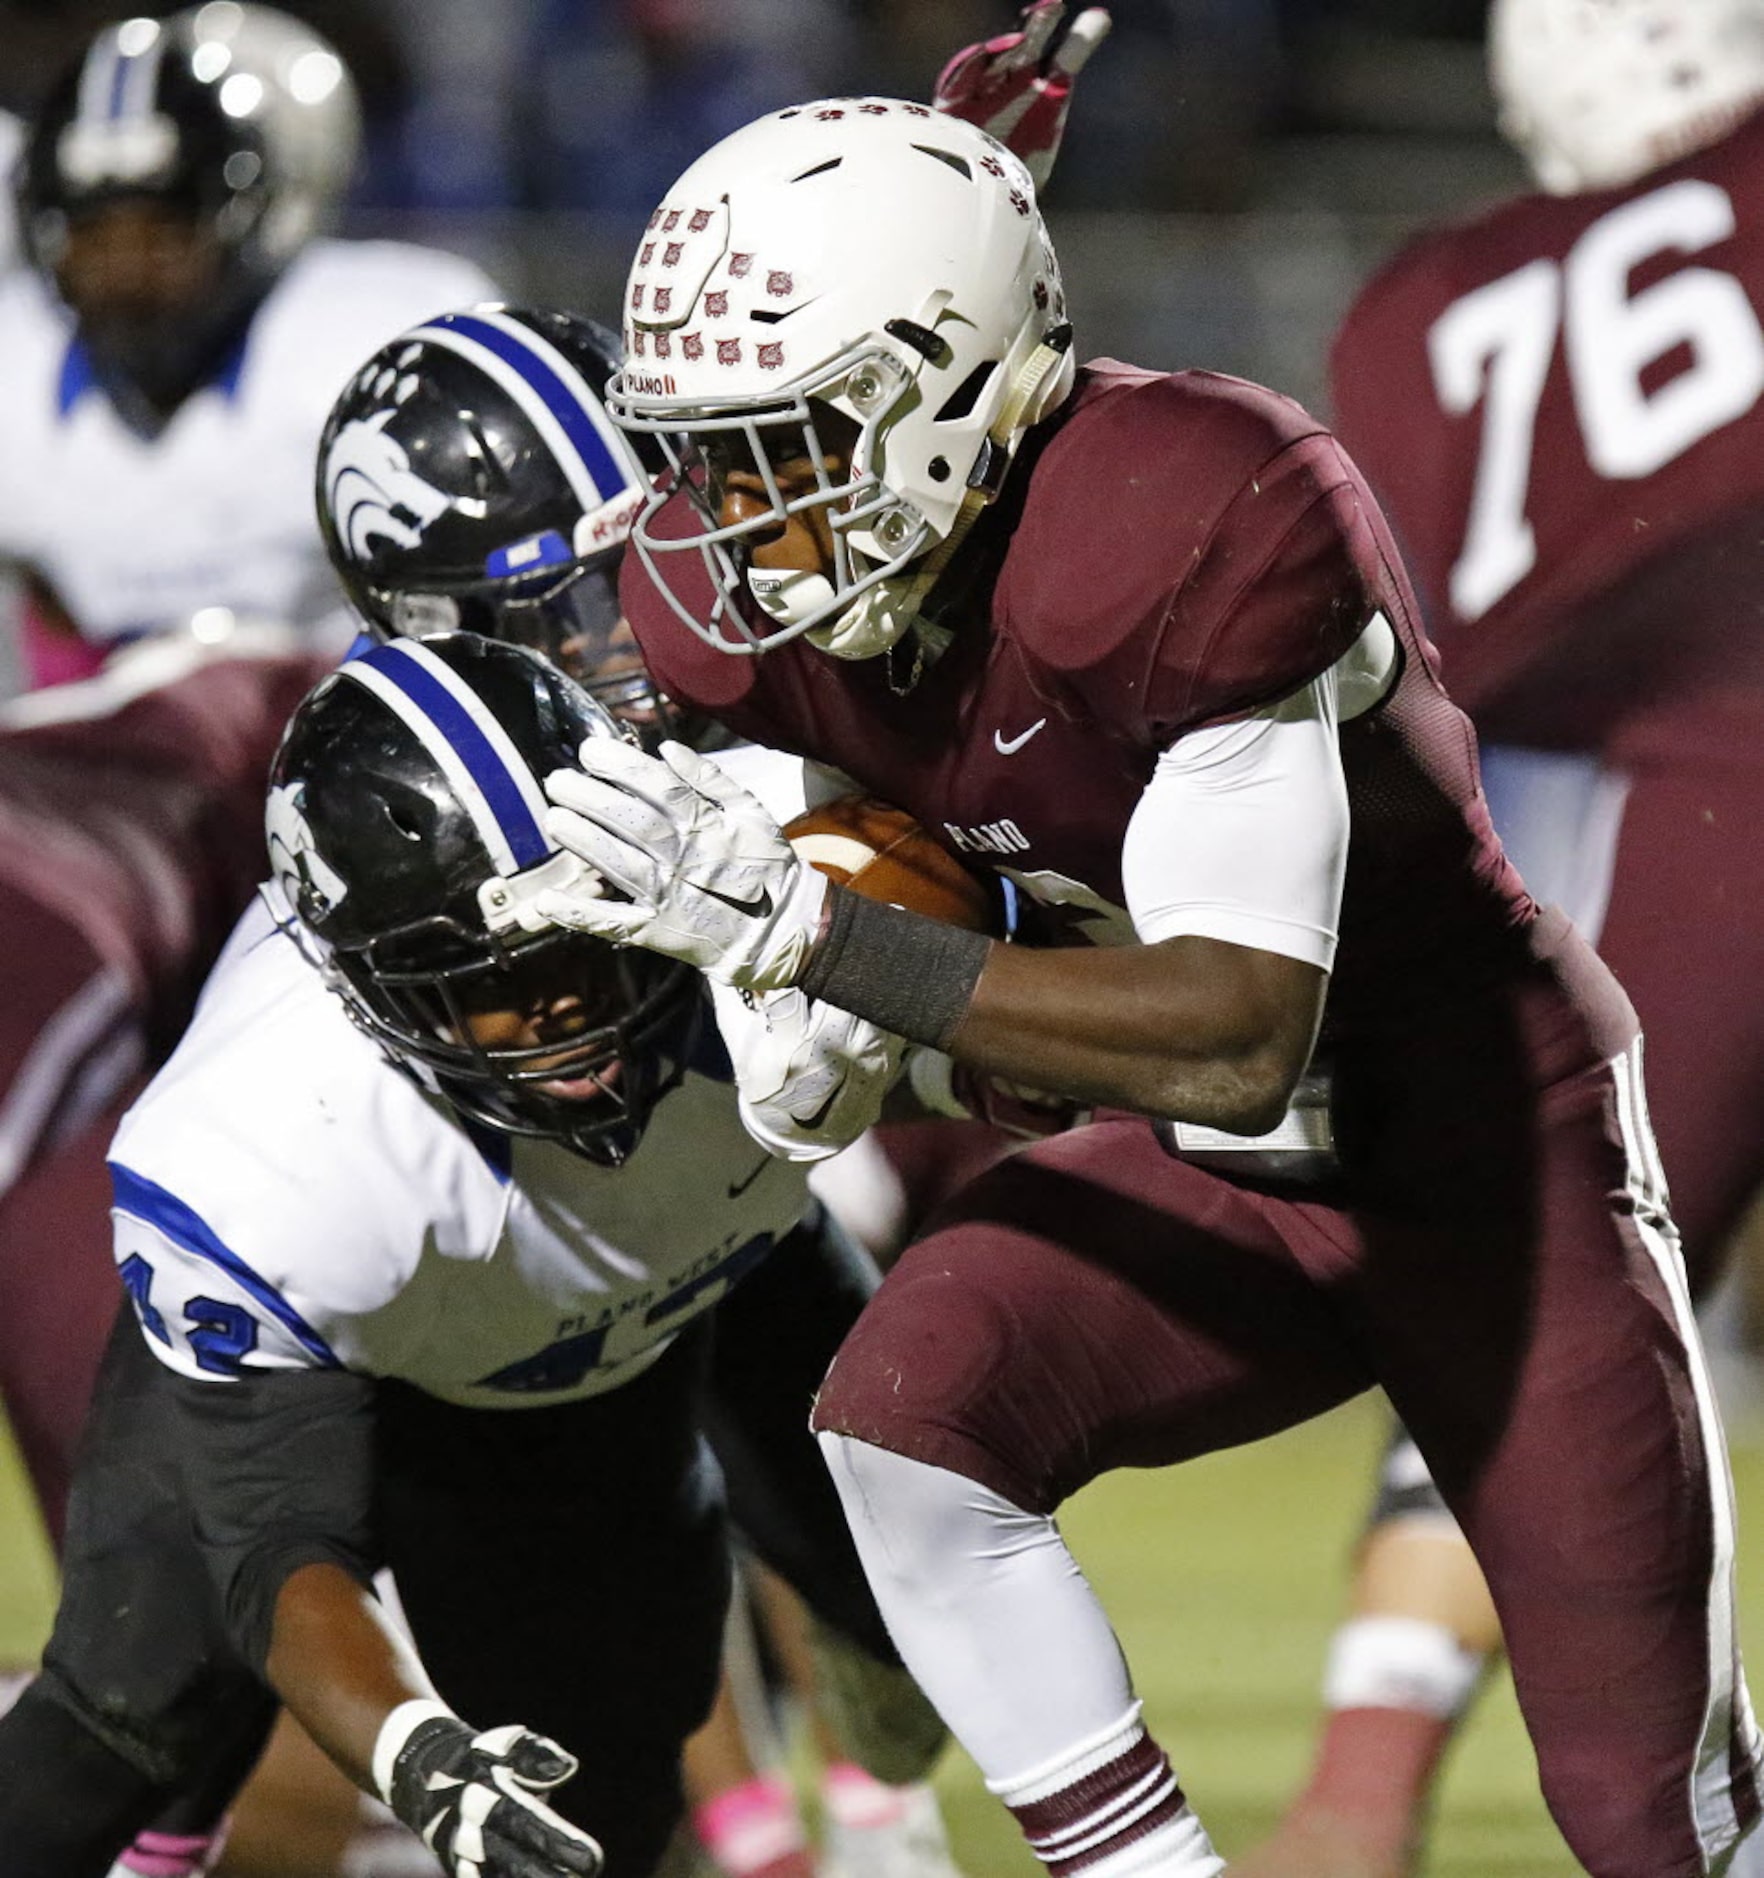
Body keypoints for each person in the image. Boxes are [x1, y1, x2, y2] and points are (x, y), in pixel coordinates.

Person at [512, 97, 1763, 1878]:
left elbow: (1234, 1031)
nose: (742, 525)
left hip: (1481, 1151)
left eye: (788, 448)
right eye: (712, 459)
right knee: (905, 1415)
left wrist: (820, 938)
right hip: (1212, 1187)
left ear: (956, 394)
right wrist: (776, 996)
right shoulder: (743, 601)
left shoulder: (1186, 519)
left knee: (1655, 1818)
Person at [0, 628, 931, 1878]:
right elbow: (277, 1547)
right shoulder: (276, 1152)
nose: (573, 1008)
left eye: (590, 938)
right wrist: (410, 1750)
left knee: (614, 1787)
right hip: (374, 1327)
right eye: (502, 978)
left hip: (606, 1350)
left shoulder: (779, 883)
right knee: (131, 1706)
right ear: (376, 992)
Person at [1231, 2, 1764, 1871]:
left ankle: (1357, 1783)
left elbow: (1405, 662)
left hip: (1665, 818)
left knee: (1556, 1322)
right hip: (1701, 778)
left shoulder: (1432, 299)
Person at [0, 0, 495, 1551]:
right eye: (93, 228)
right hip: (130, 849)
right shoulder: (20, 374)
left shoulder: (369, 331)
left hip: (357, 851)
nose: (125, 267)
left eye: (161, 226)